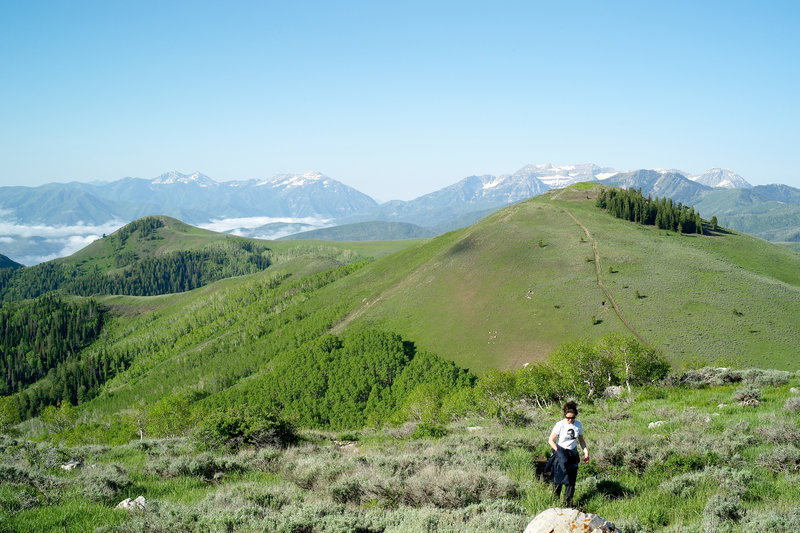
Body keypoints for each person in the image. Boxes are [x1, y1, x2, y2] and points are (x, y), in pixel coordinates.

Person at [546, 400, 589, 507]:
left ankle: (567, 503)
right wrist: (558, 451)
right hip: (560, 451)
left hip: (572, 453)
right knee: (558, 479)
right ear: (565, 416)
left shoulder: (578, 425)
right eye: (568, 418)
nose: (570, 420)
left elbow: (581, 440)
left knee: (571, 480)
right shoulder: (560, 425)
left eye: (572, 418)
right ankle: (555, 502)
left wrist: (586, 451)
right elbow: (551, 440)